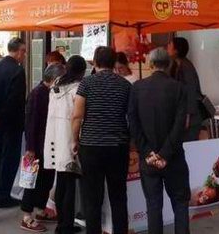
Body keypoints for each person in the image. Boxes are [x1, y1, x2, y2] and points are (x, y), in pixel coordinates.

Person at [129, 48, 190, 234]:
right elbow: (180, 124)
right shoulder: (179, 88)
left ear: (150, 64)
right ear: (169, 64)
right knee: (180, 203)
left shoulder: (137, 88)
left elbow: (133, 123)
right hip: (174, 157)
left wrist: (149, 152)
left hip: (148, 159)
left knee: (153, 205)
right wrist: (165, 154)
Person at [72, 47, 131, 234]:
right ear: (114, 63)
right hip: (118, 147)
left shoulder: (86, 83)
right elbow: (131, 117)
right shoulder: (125, 85)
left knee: (92, 198)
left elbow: (77, 116)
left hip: (91, 147)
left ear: (95, 62)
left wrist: (74, 140)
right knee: (118, 196)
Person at [45, 55, 86, 234]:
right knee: (69, 185)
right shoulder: (77, 89)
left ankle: (62, 223)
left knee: (62, 182)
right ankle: (66, 225)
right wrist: (77, 140)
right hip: (70, 138)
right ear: (82, 71)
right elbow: (78, 116)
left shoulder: (56, 86)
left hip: (55, 137)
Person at [20, 64, 64, 232]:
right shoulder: (37, 93)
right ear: (54, 78)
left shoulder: (51, 92)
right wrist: (30, 147)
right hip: (37, 145)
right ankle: (26, 216)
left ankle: (40, 209)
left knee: (46, 179)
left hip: (48, 145)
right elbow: (30, 123)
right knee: (33, 181)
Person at [0, 37, 27, 208]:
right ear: (18, 51)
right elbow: (15, 100)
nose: (24, 55)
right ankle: (4, 196)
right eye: (24, 51)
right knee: (9, 159)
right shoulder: (18, 71)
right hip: (12, 122)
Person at [167, 37, 204, 142]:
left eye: (170, 45)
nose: (167, 47)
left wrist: (188, 116)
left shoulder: (186, 67)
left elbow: (191, 91)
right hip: (181, 115)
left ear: (176, 50)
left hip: (190, 118)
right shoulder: (176, 65)